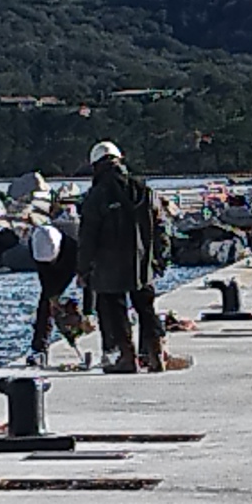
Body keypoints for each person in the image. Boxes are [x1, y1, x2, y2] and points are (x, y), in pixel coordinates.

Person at [73, 141, 171, 374]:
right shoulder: (143, 190)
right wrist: (160, 257)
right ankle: (156, 356)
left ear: (95, 165)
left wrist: (83, 269)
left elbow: (87, 237)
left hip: (109, 266)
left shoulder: (95, 196)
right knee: (146, 308)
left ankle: (128, 358)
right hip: (142, 262)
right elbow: (161, 227)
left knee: (115, 312)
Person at [21, 202, 79, 367]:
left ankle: (111, 347)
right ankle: (39, 348)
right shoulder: (38, 241)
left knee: (104, 297)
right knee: (46, 302)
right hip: (50, 261)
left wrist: (88, 312)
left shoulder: (76, 243)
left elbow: (90, 284)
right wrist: (54, 300)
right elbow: (46, 281)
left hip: (79, 259)